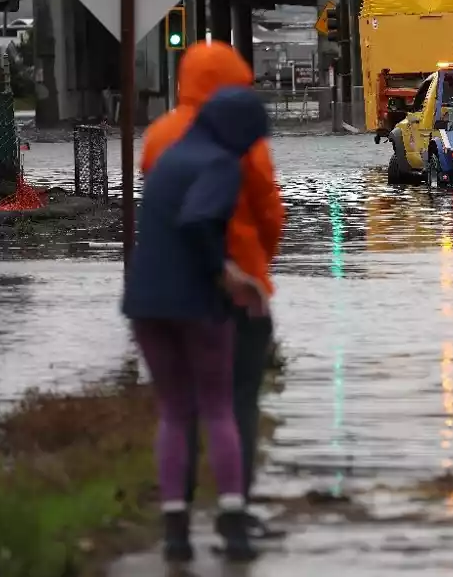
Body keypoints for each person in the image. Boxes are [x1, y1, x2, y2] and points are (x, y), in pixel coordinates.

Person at [141, 42, 286, 540]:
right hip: (235, 285)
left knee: (177, 408)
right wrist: (256, 268)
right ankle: (235, 512)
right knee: (237, 400)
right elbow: (269, 213)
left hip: (171, 287)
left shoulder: (159, 136)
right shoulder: (242, 141)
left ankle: (177, 518)